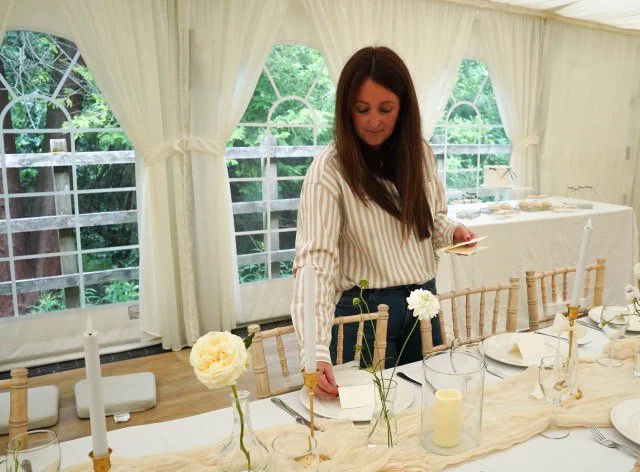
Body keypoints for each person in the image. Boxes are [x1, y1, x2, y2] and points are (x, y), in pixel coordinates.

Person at [290, 46, 476, 398]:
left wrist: (452, 232)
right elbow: (314, 265)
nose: (373, 121)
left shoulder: (418, 153)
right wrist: (314, 350)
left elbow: (430, 219)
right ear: (346, 109)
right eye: (362, 110)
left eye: (385, 109)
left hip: (424, 303)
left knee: (429, 406)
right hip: (364, 313)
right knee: (370, 420)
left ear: (403, 108)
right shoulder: (329, 171)